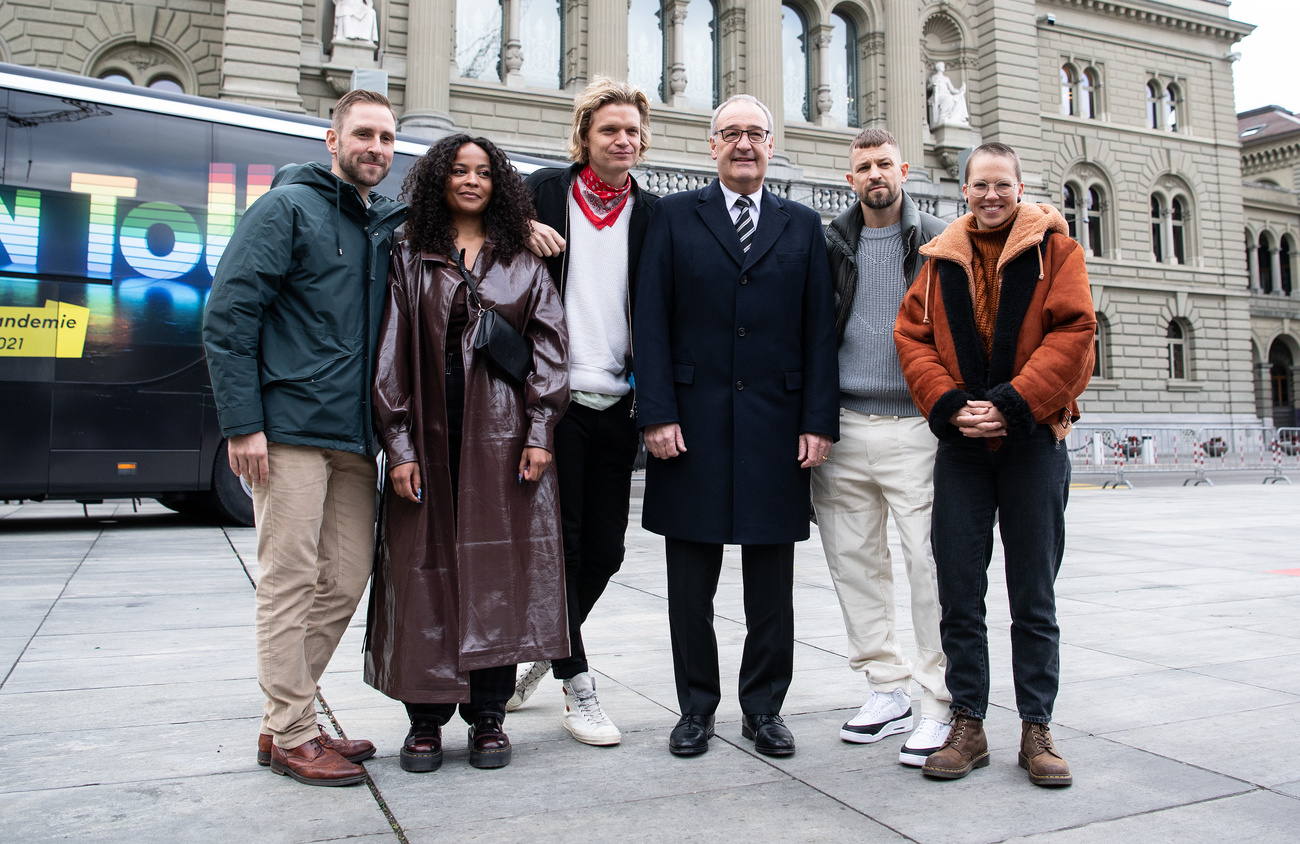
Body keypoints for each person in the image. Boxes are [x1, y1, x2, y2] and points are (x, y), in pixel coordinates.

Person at [203, 89, 405, 787]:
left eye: (386, 138)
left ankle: (282, 718)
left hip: (352, 438)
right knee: (289, 580)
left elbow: (460, 208)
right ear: (332, 139)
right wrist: (242, 424)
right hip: (286, 429)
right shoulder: (288, 208)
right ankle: (292, 730)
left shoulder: (381, 225)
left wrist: (523, 227)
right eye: (364, 135)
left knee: (346, 578)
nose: (375, 148)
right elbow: (229, 314)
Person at [634, 94, 838, 758]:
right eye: (730, 134)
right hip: (688, 428)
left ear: (770, 146)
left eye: (755, 133)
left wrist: (818, 421)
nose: (743, 144)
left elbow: (818, 333)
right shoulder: (670, 217)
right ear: (711, 145)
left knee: (770, 587)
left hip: (778, 429)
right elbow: (651, 323)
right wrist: (657, 412)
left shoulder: (804, 226)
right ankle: (695, 709)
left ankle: (764, 709)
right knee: (690, 583)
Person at [364, 134, 570, 773]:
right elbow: (391, 354)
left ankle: (488, 716)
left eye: (484, 172)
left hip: (503, 443)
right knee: (421, 573)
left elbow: (552, 352)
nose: (472, 180)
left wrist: (539, 432)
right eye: (459, 170)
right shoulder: (410, 255)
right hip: (428, 437)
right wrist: (397, 444)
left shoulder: (522, 261)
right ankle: (424, 721)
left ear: (499, 184)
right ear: (439, 180)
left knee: (497, 576)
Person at [895, 142, 1095, 786]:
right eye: (980, 185)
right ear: (964, 190)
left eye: (1002, 185)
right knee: (959, 590)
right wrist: (952, 405)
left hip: (1032, 441)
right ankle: (969, 724)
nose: (991, 196)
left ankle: (1037, 728)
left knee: (1033, 594)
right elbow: (912, 338)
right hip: (960, 446)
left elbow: (1075, 334)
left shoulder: (1057, 251)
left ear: (1019, 185)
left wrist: (1010, 404)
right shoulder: (939, 258)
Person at [507, 78, 659, 746]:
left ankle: (546, 643)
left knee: (606, 550)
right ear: (584, 137)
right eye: (609, 131)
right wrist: (521, 224)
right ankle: (578, 682)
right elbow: (468, 211)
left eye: (631, 131)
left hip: (619, 405)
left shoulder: (653, 213)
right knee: (559, 547)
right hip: (554, 401)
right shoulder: (543, 191)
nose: (622, 140)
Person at [814, 128, 951, 766]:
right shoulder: (830, 242)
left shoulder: (937, 241)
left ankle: (938, 700)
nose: (875, 175)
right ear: (851, 179)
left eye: (883, 165)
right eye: (862, 167)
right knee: (854, 564)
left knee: (929, 565)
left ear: (903, 171)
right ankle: (885, 687)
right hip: (845, 426)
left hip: (918, 427)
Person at [927, 62, 969, 127]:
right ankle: (943, 115)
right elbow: (928, 88)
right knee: (948, 98)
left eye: (943, 66)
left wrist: (960, 91)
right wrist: (933, 85)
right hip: (939, 95)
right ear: (938, 67)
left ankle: (958, 118)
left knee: (959, 97)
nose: (943, 67)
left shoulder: (946, 78)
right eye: (942, 66)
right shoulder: (934, 77)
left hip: (946, 94)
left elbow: (952, 89)